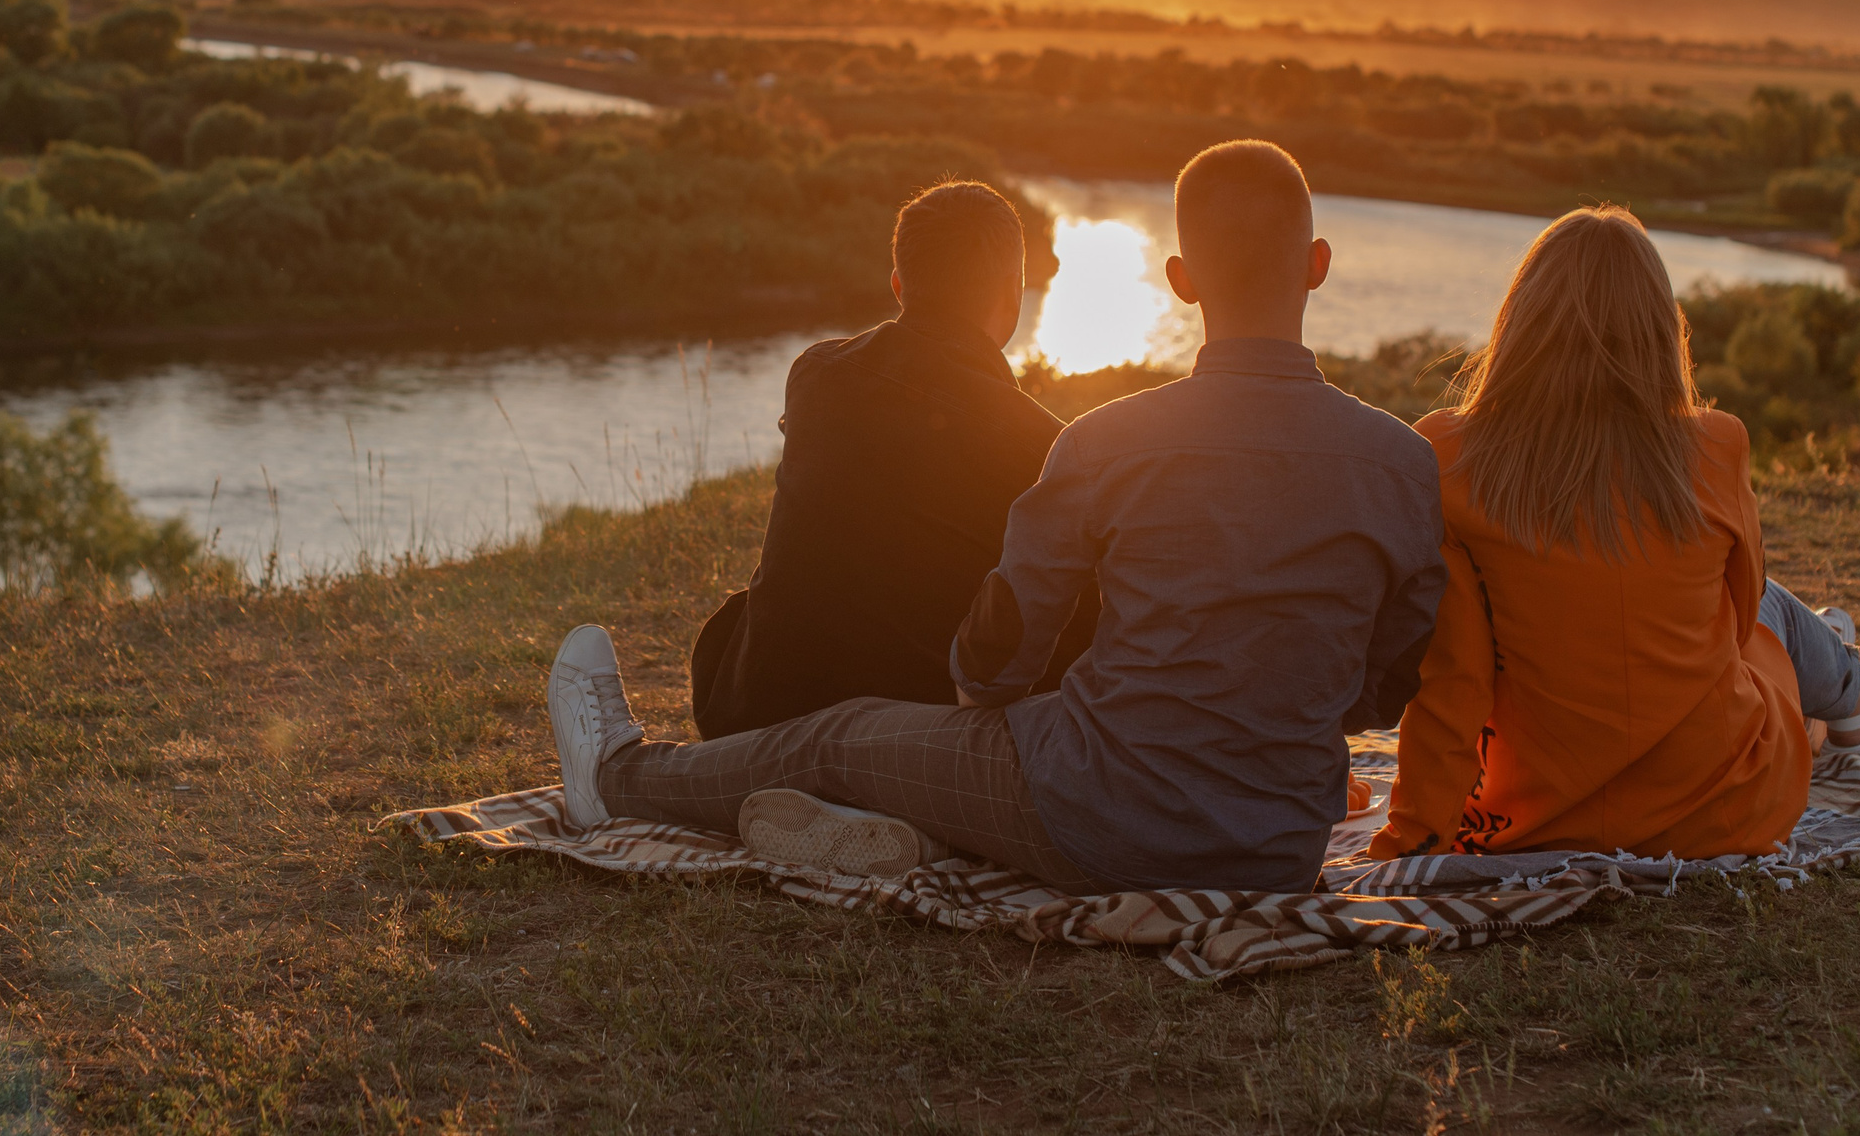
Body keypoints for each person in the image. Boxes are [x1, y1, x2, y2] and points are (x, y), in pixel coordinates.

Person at [548, 141, 1447, 893]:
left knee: (846, 733)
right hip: (1280, 848)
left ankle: (617, 777)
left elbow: (995, 664)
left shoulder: (1106, 444)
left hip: (1091, 821)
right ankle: (921, 822)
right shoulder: (1405, 464)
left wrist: (999, 695)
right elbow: (1385, 682)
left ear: (1179, 279)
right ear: (1319, 263)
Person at [1369, 206, 1860, 863]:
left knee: (1765, 621)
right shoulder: (1717, 443)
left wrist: (1410, 840)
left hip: (1540, 814)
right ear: (1660, 328)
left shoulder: (1445, 454)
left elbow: (1453, 676)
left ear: (1519, 322)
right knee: (1772, 609)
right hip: (1720, 810)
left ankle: (1838, 681)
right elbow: (1739, 620)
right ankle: (1854, 689)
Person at [688, 180, 1088, 740]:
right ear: (1013, 290)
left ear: (899, 285)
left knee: (748, 607)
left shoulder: (816, 372)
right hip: (920, 730)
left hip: (755, 711)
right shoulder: (1045, 441)